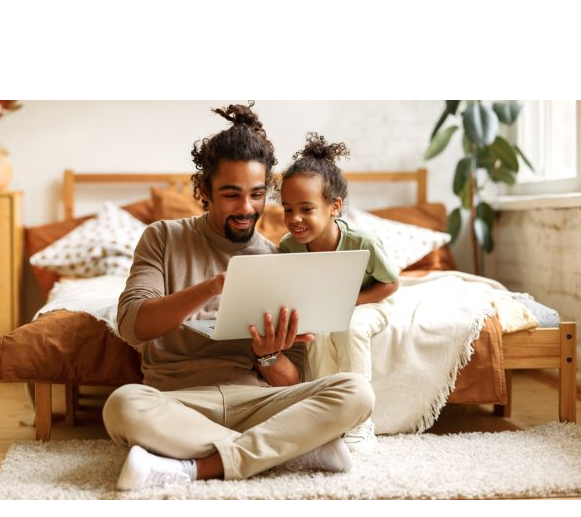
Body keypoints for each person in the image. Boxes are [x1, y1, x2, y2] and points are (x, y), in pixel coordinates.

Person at [102, 103, 375, 490]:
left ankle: (195, 468)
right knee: (123, 406)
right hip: (180, 403)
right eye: (231, 195)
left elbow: (291, 379)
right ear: (203, 191)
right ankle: (291, 451)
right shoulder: (163, 238)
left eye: (257, 194)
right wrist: (212, 287)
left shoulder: (280, 258)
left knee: (356, 392)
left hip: (257, 403)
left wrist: (268, 355)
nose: (246, 209)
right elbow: (133, 326)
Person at [279, 133, 399, 453]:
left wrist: (349, 302)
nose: (294, 219)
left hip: (368, 301)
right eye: (287, 209)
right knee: (315, 333)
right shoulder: (287, 247)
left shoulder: (364, 243)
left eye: (305, 208)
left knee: (350, 325)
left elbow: (390, 284)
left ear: (335, 206)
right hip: (323, 306)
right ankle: (325, 417)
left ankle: (360, 420)